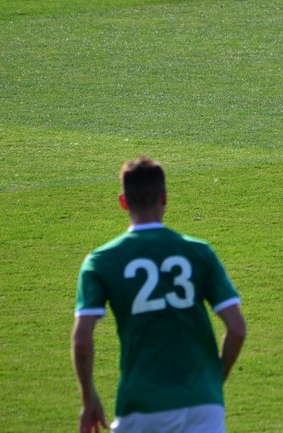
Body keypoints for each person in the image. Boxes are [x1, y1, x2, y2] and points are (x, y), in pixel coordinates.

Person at [72, 157, 246, 432]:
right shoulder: (199, 252)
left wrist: (88, 397)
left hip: (141, 406)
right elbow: (236, 329)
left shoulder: (101, 261)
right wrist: (213, 381)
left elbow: (82, 340)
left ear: (123, 202)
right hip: (203, 406)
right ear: (164, 198)